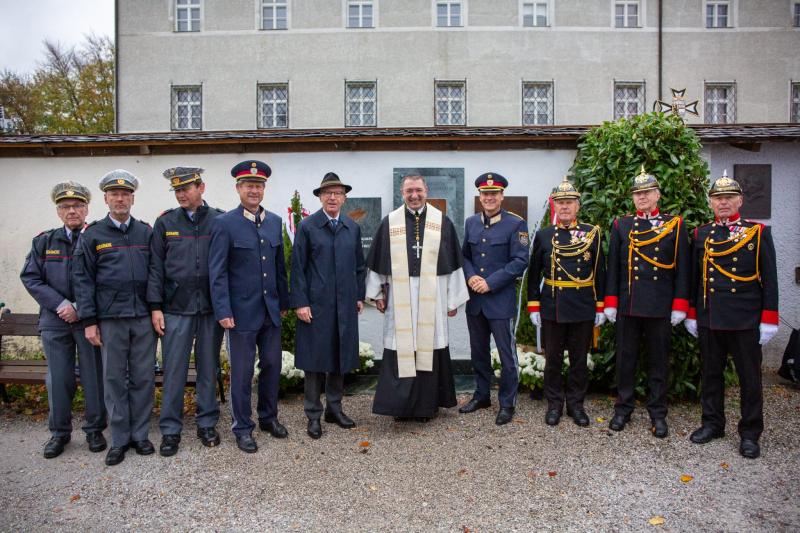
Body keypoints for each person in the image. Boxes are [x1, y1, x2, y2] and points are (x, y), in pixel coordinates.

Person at [684, 171, 779, 459]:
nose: (723, 203)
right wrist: (691, 313)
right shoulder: (701, 234)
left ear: (740, 200)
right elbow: (694, 279)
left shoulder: (758, 233)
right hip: (711, 316)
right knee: (711, 375)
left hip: (745, 319)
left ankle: (750, 433)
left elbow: (770, 279)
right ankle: (712, 424)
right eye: (717, 198)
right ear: (711, 203)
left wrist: (769, 318)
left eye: (728, 198)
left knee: (749, 379)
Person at [366, 174, 469, 422]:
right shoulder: (390, 223)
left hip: (432, 297)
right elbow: (377, 262)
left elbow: (453, 261)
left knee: (429, 346)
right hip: (400, 295)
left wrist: (452, 300)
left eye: (419, 190)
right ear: (402, 193)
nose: (414, 195)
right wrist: (377, 294)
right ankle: (399, 407)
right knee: (400, 347)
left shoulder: (441, 222)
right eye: (409, 191)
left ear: (427, 191)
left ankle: (426, 406)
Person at [72, 170, 157, 466]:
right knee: (114, 379)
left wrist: (156, 308)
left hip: (143, 317)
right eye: (114, 194)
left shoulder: (146, 232)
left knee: (144, 378)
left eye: (125, 194)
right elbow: (82, 280)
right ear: (106, 199)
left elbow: (157, 273)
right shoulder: (93, 234)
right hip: (110, 319)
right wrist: (89, 320)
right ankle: (119, 439)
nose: (120, 199)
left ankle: (140, 435)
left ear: (132, 198)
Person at [20, 181, 107, 459]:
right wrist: (60, 304)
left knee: (94, 377)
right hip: (55, 321)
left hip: (88, 320)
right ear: (58, 211)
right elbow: (31, 278)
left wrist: (81, 308)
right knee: (58, 379)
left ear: (87, 208)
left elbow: (107, 279)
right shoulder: (44, 241)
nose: (72, 211)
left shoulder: (98, 237)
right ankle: (59, 433)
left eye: (77, 206)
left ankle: (94, 429)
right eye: (66, 207)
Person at [603, 167, 691, 438]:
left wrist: (680, 304)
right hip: (629, 305)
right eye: (637, 193)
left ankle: (658, 412)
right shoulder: (622, 225)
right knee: (625, 360)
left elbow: (683, 269)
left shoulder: (674, 225)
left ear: (657, 195)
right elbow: (614, 268)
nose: (641, 197)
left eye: (646, 193)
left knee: (658, 362)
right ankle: (623, 408)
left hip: (659, 306)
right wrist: (610, 302)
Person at [209, 160, 289, 453]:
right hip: (239, 314)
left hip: (270, 310)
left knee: (271, 366)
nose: (254, 190)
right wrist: (223, 310)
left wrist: (283, 301)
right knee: (242, 374)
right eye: (248, 185)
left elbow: (279, 266)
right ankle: (242, 427)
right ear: (238, 188)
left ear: (264, 189)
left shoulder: (274, 222)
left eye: (259, 186)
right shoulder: (224, 224)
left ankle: (268, 418)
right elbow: (217, 272)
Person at [147, 167, 224, 456]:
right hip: (175, 309)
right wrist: (155, 307)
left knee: (208, 369)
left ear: (201, 188)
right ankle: (170, 429)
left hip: (209, 309)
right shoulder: (165, 222)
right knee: (174, 371)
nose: (181, 194)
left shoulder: (219, 219)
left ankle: (207, 423)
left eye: (186, 188)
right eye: (177, 190)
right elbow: (155, 268)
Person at [290, 172, 366, 439]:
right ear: (320, 197)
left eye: (337, 193)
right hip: (316, 305)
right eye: (327, 193)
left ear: (344, 198)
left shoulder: (351, 227)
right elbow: (297, 268)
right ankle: (313, 414)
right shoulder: (308, 227)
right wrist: (300, 302)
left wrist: (359, 295)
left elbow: (359, 266)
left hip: (344, 303)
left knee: (339, 356)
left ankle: (335, 409)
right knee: (314, 361)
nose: (332, 197)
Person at [527, 176, 606, 427]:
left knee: (579, 361)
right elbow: (534, 272)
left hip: (582, 305)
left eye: (569, 202)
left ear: (577, 205)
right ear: (554, 206)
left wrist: (601, 305)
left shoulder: (591, 234)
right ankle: (554, 405)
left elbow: (600, 272)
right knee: (553, 360)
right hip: (553, 305)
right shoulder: (544, 235)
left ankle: (576, 405)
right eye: (560, 202)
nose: (564, 207)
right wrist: (533, 305)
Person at [460, 172, 529, 425]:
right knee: (478, 353)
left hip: (500, 301)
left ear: (501, 196)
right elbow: (464, 256)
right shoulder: (471, 223)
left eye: (494, 193)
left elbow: (520, 261)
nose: (489, 197)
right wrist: (470, 278)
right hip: (475, 302)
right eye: (484, 194)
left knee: (506, 355)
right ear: (480, 196)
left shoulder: (515, 224)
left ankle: (507, 403)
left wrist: (490, 283)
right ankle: (481, 396)